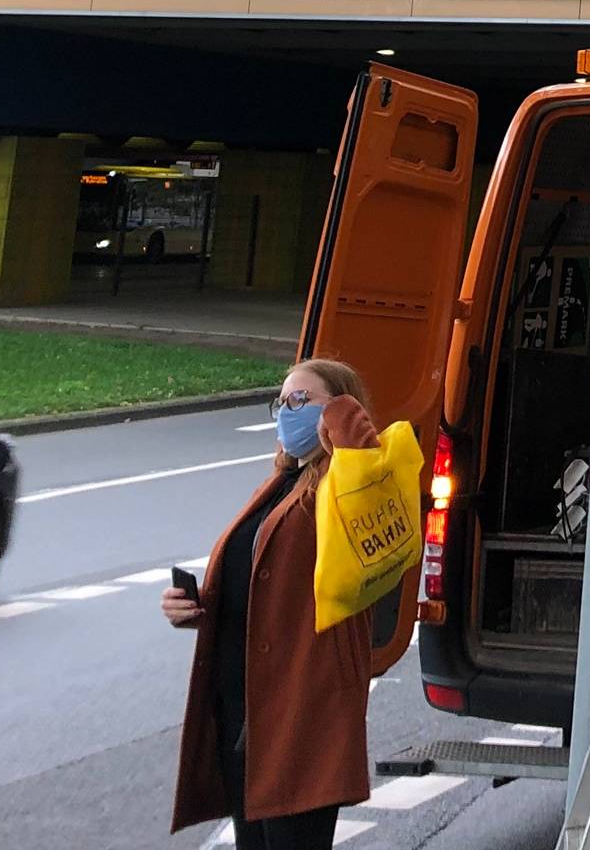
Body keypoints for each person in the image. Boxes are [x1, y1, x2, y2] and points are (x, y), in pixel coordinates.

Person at [163, 359, 392, 850]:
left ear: (339, 409)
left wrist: (345, 419)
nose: (287, 412)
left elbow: (371, 486)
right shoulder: (279, 485)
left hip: (301, 713)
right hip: (246, 713)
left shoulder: (347, 488)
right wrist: (198, 608)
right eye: (281, 402)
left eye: (301, 400)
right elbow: (265, 584)